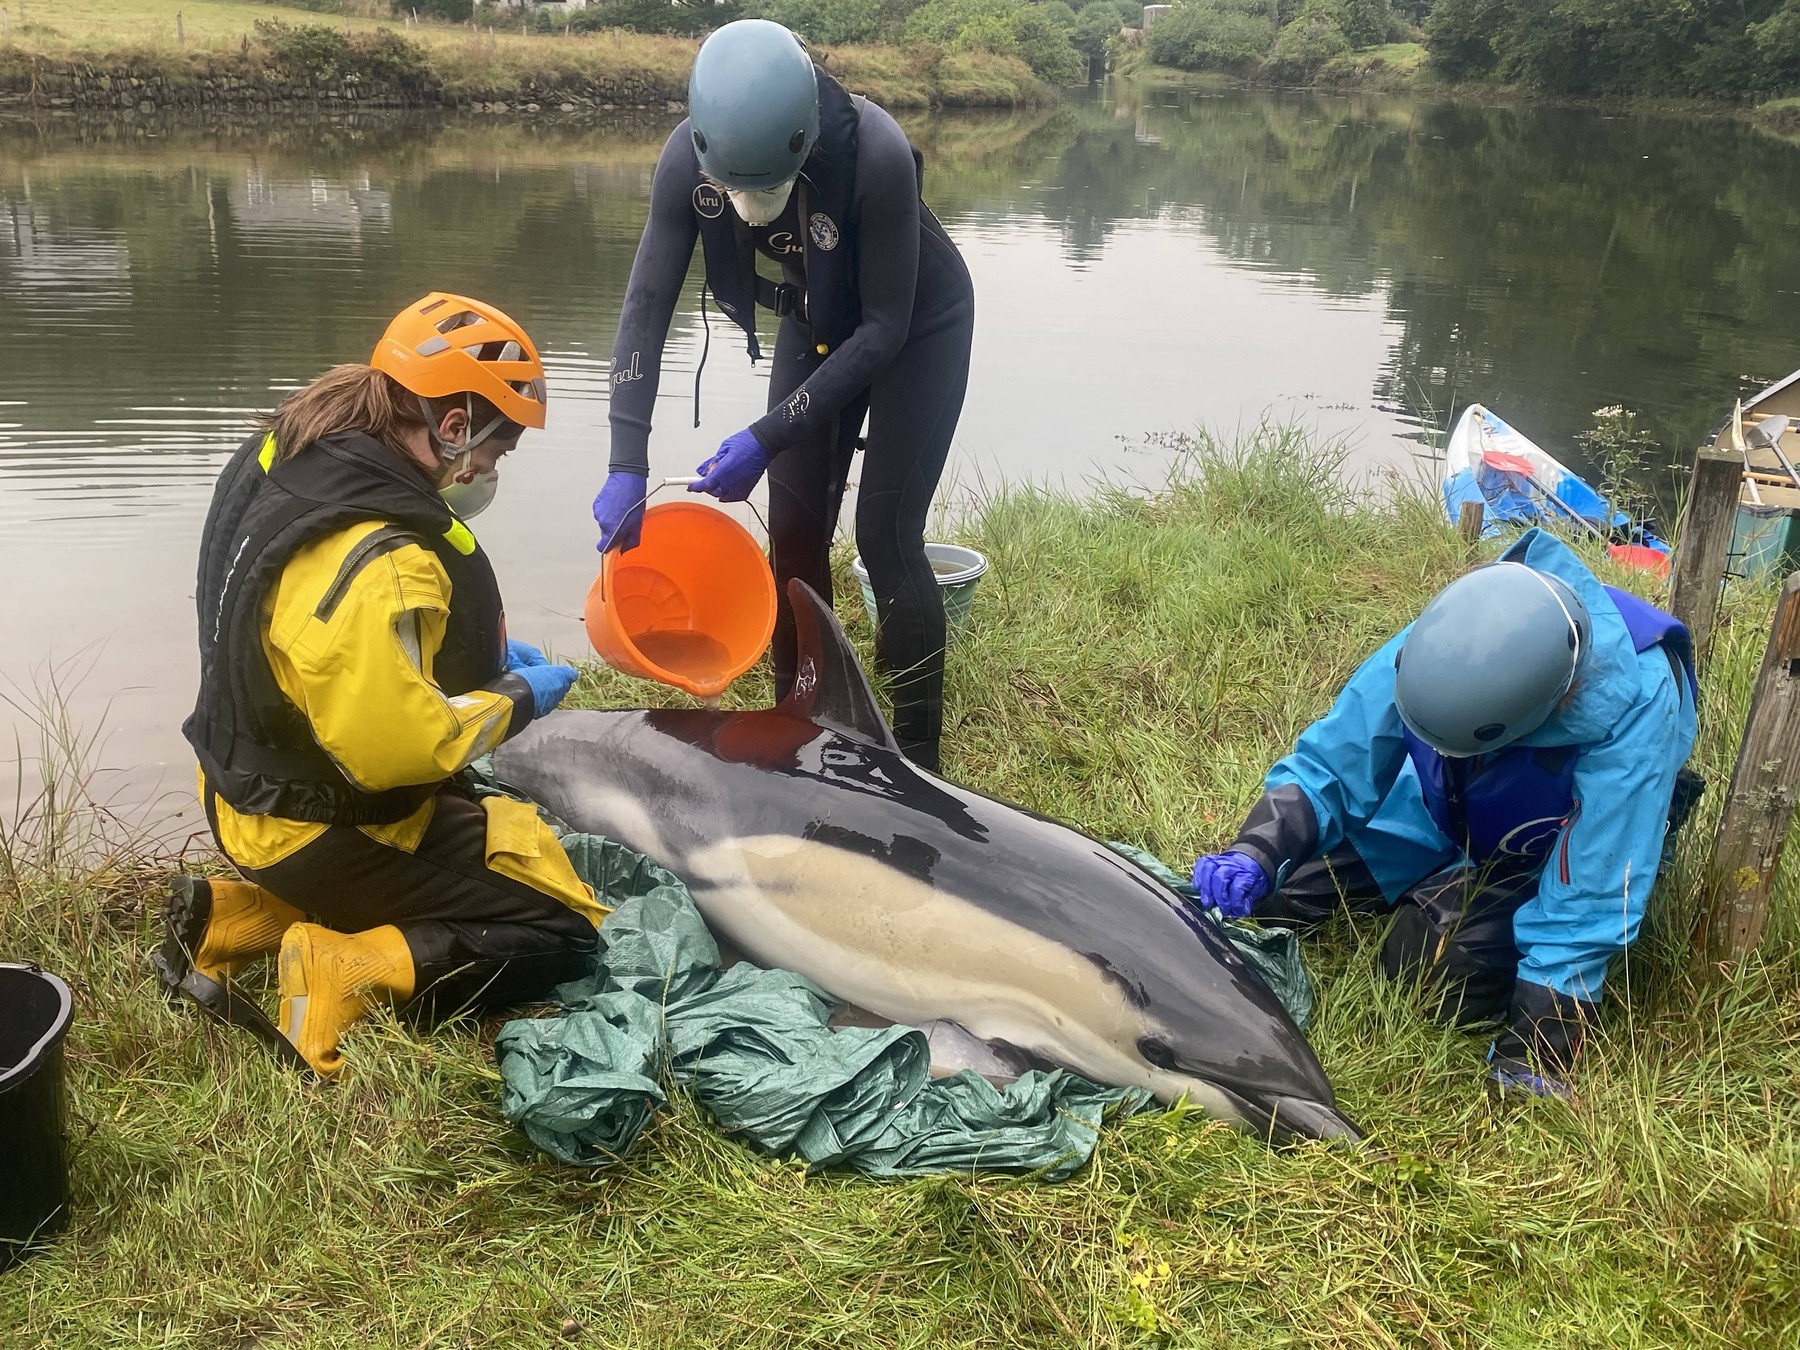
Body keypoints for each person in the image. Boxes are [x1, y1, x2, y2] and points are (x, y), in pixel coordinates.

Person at [157, 293, 607, 1078]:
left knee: (466, 840)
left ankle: (235, 919)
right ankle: (346, 969)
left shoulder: (298, 448)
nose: (491, 472)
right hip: (313, 825)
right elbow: (397, 756)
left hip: (234, 791)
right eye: (498, 452)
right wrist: (515, 699)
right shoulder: (384, 558)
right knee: (562, 931)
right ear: (455, 426)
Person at [1190, 528, 1700, 1098]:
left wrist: (1538, 1045)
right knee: (1279, 895)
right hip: (1448, 800)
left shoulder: (1637, 707)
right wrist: (1259, 849)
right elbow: (1341, 757)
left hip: (1554, 834)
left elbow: (1594, 887)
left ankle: (1465, 895)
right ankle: (1436, 870)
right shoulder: (1449, 638)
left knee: (1431, 969)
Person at [593, 19, 976, 771]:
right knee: (795, 539)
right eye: (736, 185)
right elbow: (644, 309)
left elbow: (884, 330)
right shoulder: (686, 163)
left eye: (766, 185)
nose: (749, 200)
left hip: (914, 325)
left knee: (885, 534)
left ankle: (921, 760)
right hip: (817, 317)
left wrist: (765, 436)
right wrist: (624, 460)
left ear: (805, 141)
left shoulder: (877, 153)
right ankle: (801, 719)